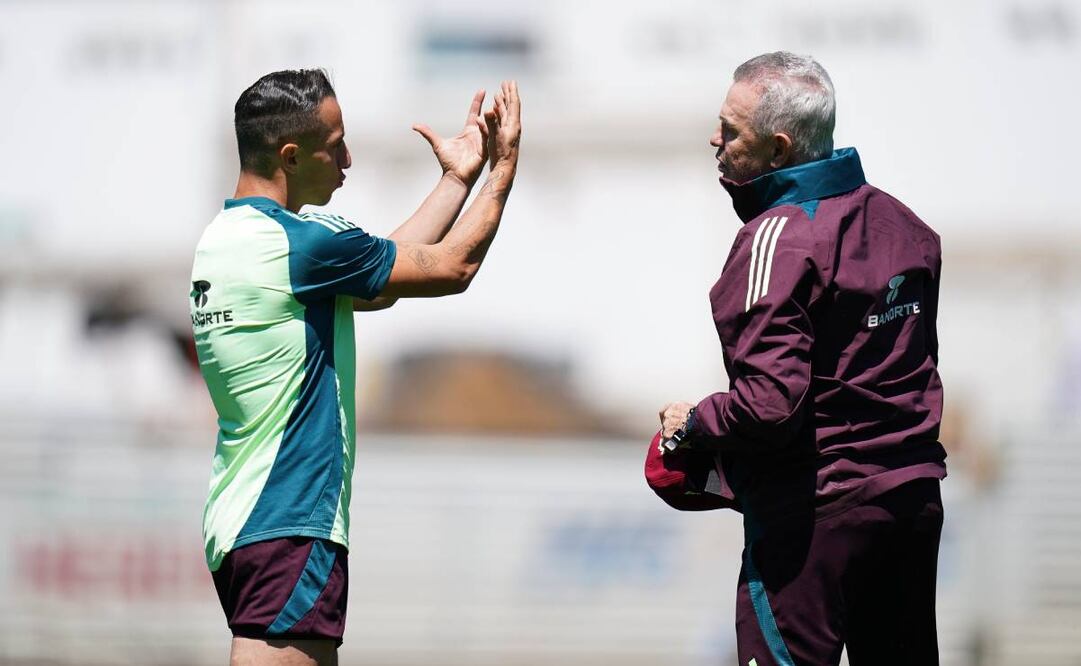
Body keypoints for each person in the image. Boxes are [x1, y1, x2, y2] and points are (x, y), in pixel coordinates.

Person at [188, 69, 521, 665]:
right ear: (290, 156)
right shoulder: (299, 245)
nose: (348, 156)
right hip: (289, 517)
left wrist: (455, 181)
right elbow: (451, 268)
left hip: (244, 520)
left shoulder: (227, 239)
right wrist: (501, 169)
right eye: (335, 142)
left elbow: (378, 283)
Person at [654, 52, 946, 666]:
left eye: (731, 131)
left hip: (817, 515)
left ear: (779, 149)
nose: (716, 139)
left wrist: (694, 423)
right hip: (911, 499)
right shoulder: (906, 225)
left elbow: (767, 407)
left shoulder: (777, 237)